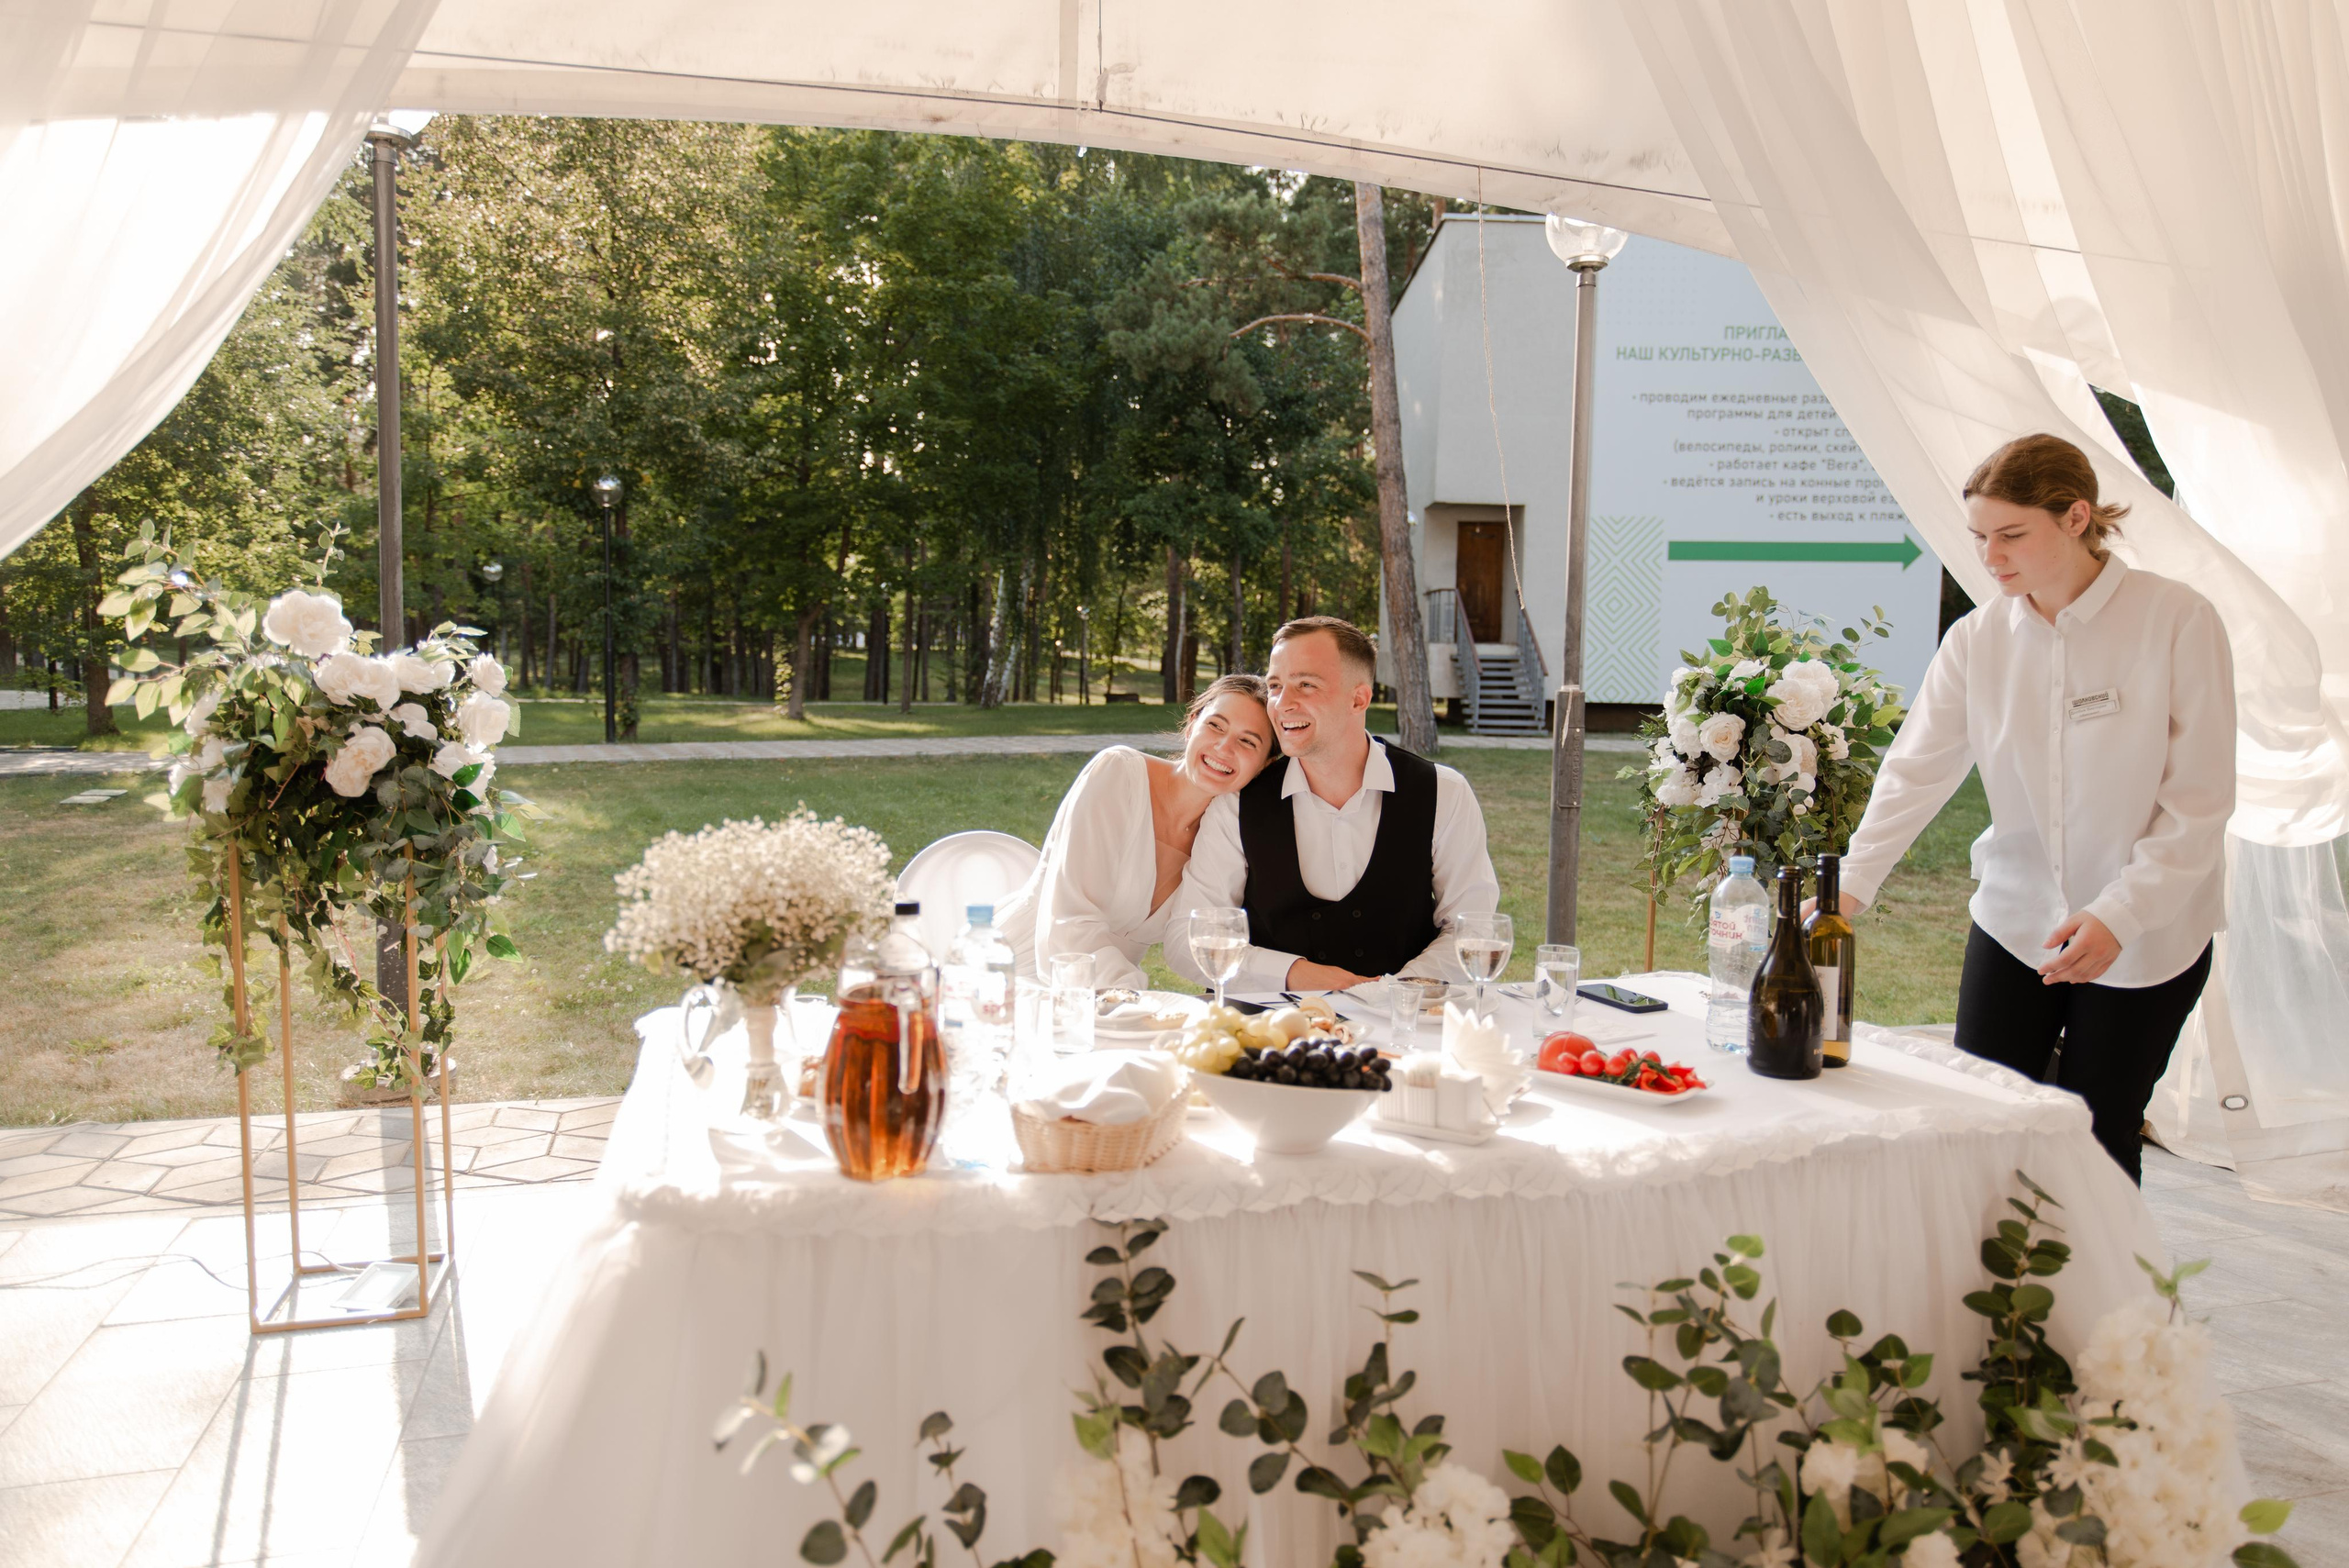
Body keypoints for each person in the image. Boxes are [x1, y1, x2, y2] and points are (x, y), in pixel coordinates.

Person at [1836, 433, 2235, 1184]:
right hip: (2018, 920)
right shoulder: (1977, 640)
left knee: (2097, 1136)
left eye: (2012, 534)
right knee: (1982, 1122)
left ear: (2077, 517)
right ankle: (1989, 1297)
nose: (1992, 557)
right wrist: (1850, 887)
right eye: (1981, 537)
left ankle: (2102, 1303)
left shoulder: (2177, 620)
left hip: (2148, 934)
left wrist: (2120, 913)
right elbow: (1914, 771)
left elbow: (2199, 800)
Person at [1167, 616, 1499, 994]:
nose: (1281, 704)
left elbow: (1473, 928)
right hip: (1266, 1029)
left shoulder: (1445, 792)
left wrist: (1398, 993)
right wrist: (1293, 974)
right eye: (1275, 685)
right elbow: (1186, 940)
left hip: (1405, 1027)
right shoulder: (1237, 804)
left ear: (1358, 698)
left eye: (1305, 685)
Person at [994, 674, 1276, 988]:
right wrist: (1133, 999)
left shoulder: (1225, 834)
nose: (1224, 748)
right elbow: (1068, 923)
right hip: (1014, 972)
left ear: (1264, 765)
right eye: (1215, 726)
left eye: (1248, 741)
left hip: (1106, 998)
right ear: (1192, 723)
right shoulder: (1118, 774)